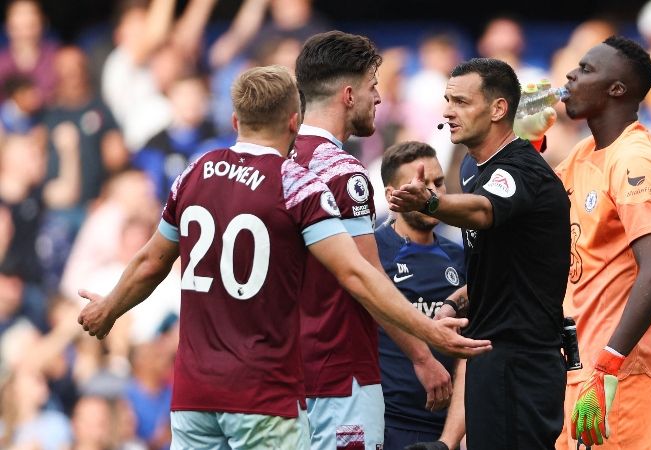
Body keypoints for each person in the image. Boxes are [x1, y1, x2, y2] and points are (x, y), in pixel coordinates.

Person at [76, 65, 490, 448]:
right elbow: (358, 274)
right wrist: (430, 334)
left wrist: (109, 309)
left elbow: (151, 261)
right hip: (262, 392)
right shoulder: (295, 184)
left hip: (192, 395)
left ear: (236, 121)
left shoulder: (195, 172)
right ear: (294, 120)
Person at [293, 31, 463, 450]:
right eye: (373, 87)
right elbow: (367, 278)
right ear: (349, 95)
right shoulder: (343, 173)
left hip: (281, 377)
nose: (379, 99)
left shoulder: (277, 159)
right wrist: (425, 352)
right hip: (338, 377)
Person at [389, 57, 570, 450]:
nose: (447, 111)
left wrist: (431, 203)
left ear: (498, 109)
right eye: (447, 100)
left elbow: (484, 211)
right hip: (493, 359)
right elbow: (503, 270)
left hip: (520, 363)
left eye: (460, 102)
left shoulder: (520, 170)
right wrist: (457, 302)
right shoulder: (476, 168)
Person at [553, 36, 651, 449]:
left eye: (586, 70)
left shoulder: (633, 159)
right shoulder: (585, 154)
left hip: (625, 372)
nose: (570, 75)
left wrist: (609, 366)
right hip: (590, 367)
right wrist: (528, 141)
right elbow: (528, 215)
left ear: (616, 89)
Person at [375, 141, 466, 450]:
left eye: (437, 183)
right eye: (418, 185)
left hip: (449, 429)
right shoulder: (372, 253)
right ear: (392, 196)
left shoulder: (460, 257)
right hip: (390, 421)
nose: (430, 192)